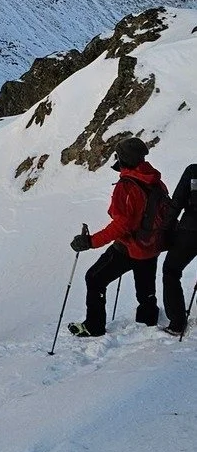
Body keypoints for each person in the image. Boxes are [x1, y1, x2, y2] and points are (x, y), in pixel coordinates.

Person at [67, 137, 170, 338]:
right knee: (146, 291)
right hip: (151, 245)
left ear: (123, 158)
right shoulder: (155, 180)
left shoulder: (126, 186)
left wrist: (90, 242)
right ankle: (148, 324)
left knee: (95, 278)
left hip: (129, 246)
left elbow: (121, 225)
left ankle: (94, 326)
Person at [160, 162, 197, 336]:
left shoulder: (193, 171)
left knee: (171, 271)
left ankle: (177, 323)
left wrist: (166, 229)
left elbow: (177, 202)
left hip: (189, 231)